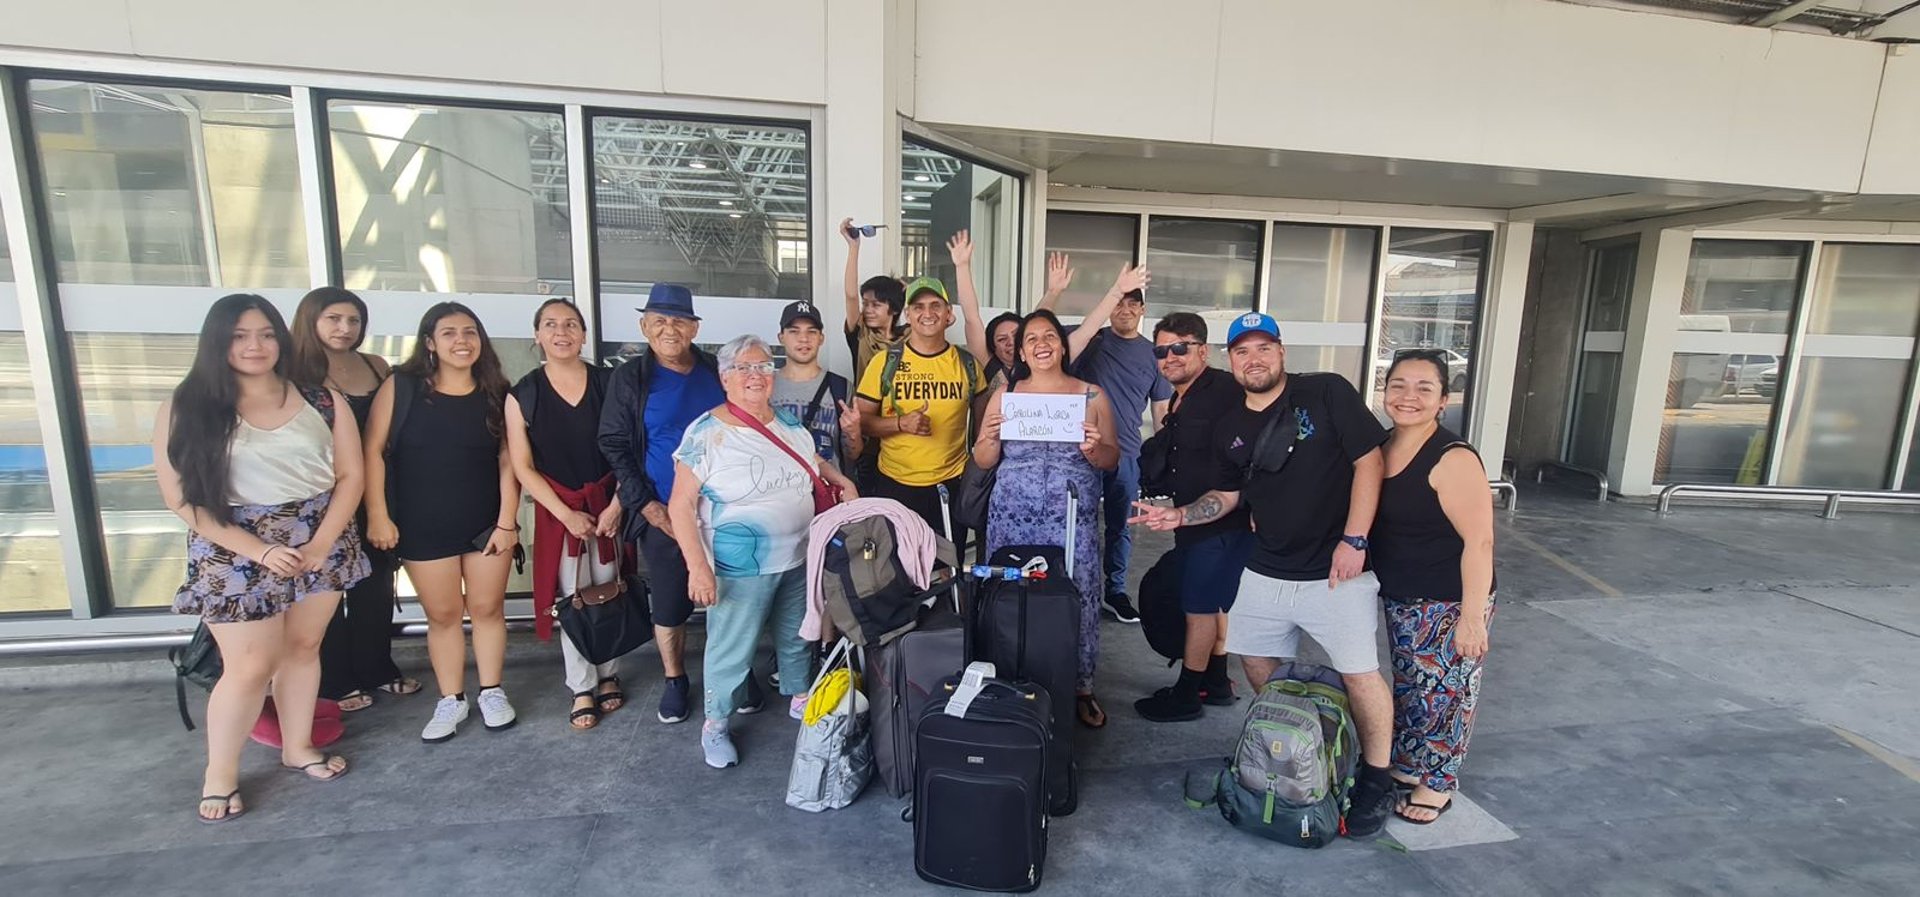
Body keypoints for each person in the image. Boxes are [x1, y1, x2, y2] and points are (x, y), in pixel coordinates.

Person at [1127, 312, 1400, 838]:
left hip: (1336, 569)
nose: (1253, 359)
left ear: (1281, 351)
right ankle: (1303, 748)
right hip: (1266, 566)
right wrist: (1180, 515)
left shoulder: (1325, 392)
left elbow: (1369, 461)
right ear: (1231, 359)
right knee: (1254, 660)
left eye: (1263, 348)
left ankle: (1376, 777)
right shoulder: (1232, 425)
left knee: (1361, 674)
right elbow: (1228, 495)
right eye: (1243, 351)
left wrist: (1355, 539)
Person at [155, 293, 368, 822]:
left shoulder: (322, 400)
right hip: (234, 547)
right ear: (217, 342)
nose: (256, 345)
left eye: (266, 334)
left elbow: (351, 476)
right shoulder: (187, 406)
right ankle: (220, 774)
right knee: (250, 667)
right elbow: (181, 497)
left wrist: (320, 543)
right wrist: (260, 550)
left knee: (304, 647)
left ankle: (298, 746)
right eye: (240, 336)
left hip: (319, 537)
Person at [668, 335, 860, 768]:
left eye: (762, 367)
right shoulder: (706, 433)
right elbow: (680, 505)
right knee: (732, 647)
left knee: (798, 633)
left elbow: (814, 462)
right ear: (725, 378)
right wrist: (698, 567)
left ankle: (800, 696)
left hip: (799, 554)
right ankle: (716, 722)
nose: (755, 376)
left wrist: (842, 480)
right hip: (739, 565)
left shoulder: (789, 424)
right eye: (744, 368)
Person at [363, 302, 521, 743]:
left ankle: (491, 691)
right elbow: (373, 450)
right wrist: (378, 513)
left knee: (487, 609)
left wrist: (507, 521)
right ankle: (451, 699)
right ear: (430, 342)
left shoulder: (497, 391)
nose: (462, 341)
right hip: (421, 522)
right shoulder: (402, 387)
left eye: (470, 332)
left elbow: (509, 461)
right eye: (449, 333)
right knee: (444, 614)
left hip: (485, 522)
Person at [974, 309, 1121, 727]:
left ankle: (1080, 686)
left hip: (1070, 517)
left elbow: (1111, 458)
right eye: (1032, 338)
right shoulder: (1006, 395)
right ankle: (1010, 675)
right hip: (1012, 514)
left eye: (1050, 336)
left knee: (1077, 594)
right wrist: (989, 439)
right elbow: (983, 459)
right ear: (1022, 351)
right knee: (1012, 592)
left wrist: (1094, 449)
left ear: (1062, 345)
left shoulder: (1091, 396)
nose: (1042, 344)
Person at [1372, 349, 1496, 825]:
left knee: (1447, 695)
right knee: (1412, 688)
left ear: (1443, 400)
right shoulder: (1383, 446)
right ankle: (1409, 764)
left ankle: (1438, 783)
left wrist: (1471, 618)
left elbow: (1480, 541)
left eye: (1424, 388)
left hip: (1449, 599)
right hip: (1403, 595)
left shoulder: (1452, 458)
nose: (1409, 396)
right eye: (1399, 385)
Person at [598, 283, 726, 725]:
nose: (669, 329)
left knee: (729, 597)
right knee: (670, 603)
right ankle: (675, 678)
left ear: (694, 328)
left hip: (723, 511)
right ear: (644, 326)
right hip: (663, 511)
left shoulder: (715, 370)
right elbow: (614, 444)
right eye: (659, 321)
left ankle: (730, 673)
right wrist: (647, 507)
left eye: (679, 321)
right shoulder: (630, 379)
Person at [289, 287, 420, 713]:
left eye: (353, 320)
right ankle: (334, 680)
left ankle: (376, 667)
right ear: (311, 320)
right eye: (334, 319)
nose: (345, 328)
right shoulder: (291, 370)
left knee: (375, 583)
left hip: (376, 488)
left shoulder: (375, 365)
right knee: (324, 588)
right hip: (319, 496)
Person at [505, 298, 627, 731]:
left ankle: (609, 673)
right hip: (559, 511)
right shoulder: (523, 394)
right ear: (537, 334)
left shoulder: (609, 383)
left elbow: (629, 447)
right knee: (572, 596)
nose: (562, 332)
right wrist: (565, 514)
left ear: (584, 334)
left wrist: (617, 505)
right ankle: (581, 685)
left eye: (571, 324)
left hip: (609, 501)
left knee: (609, 588)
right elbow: (522, 466)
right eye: (552, 325)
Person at [1038, 254, 1172, 624]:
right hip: (1080, 451)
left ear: (1143, 310)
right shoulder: (1090, 340)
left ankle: (1115, 591)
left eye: (1133, 303)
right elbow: (1039, 328)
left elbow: (1162, 410)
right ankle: (1070, 588)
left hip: (1126, 454)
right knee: (1073, 524)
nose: (1125, 309)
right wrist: (1053, 290)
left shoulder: (1154, 355)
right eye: (1119, 302)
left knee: (1121, 526)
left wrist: (1164, 461)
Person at [1132, 312, 1253, 722]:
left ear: (1203, 350)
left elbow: (1252, 449)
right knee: (1211, 602)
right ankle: (1215, 681)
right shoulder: (1181, 396)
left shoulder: (1226, 391)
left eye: (1180, 348)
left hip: (1223, 521)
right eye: (1161, 351)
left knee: (1197, 605)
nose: (1170, 357)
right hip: (1190, 520)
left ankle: (1187, 694)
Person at [854, 231, 991, 546]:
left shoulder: (968, 365)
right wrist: (901, 423)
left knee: (946, 568)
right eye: (918, 306)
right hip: (894, 484)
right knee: (899, 568)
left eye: (935, 305)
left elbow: (983, 431)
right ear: (908, 314)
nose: (927, 313)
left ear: (948, 314)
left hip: (950, 486)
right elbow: (862, 422)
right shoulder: (885, 362)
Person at [840, 218, 906, 491]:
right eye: (866, 303)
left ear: (894, 309)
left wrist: (908, 292)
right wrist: (854, 247)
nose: (868, 310)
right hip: (868, 438)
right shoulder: (862, 335)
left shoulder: (909, 338)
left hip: (902, 432)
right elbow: (850, 295)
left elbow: (929, 316)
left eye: (876, 304)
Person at [772, 299, 863, 476]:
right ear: (781, 337)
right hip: (777, 487)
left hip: (828, 487)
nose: (803, 339)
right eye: (794, 331)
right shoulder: (765, 386)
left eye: (811, 332)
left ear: (821, 338)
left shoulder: (840, 387)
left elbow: (852, 454)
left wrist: (853, 432)